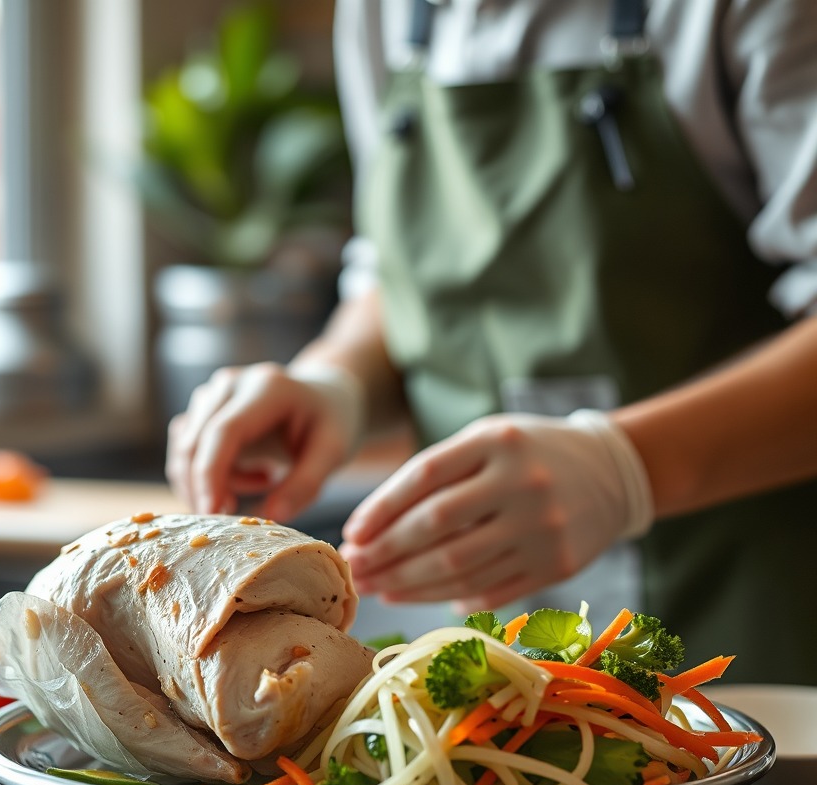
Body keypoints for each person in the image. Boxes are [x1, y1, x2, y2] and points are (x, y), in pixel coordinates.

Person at [166, 0, 817, 687]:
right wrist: (336, 381)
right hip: (494, 640)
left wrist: (623, 468)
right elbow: (395, 278)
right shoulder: (382, 14)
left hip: (758, 629)